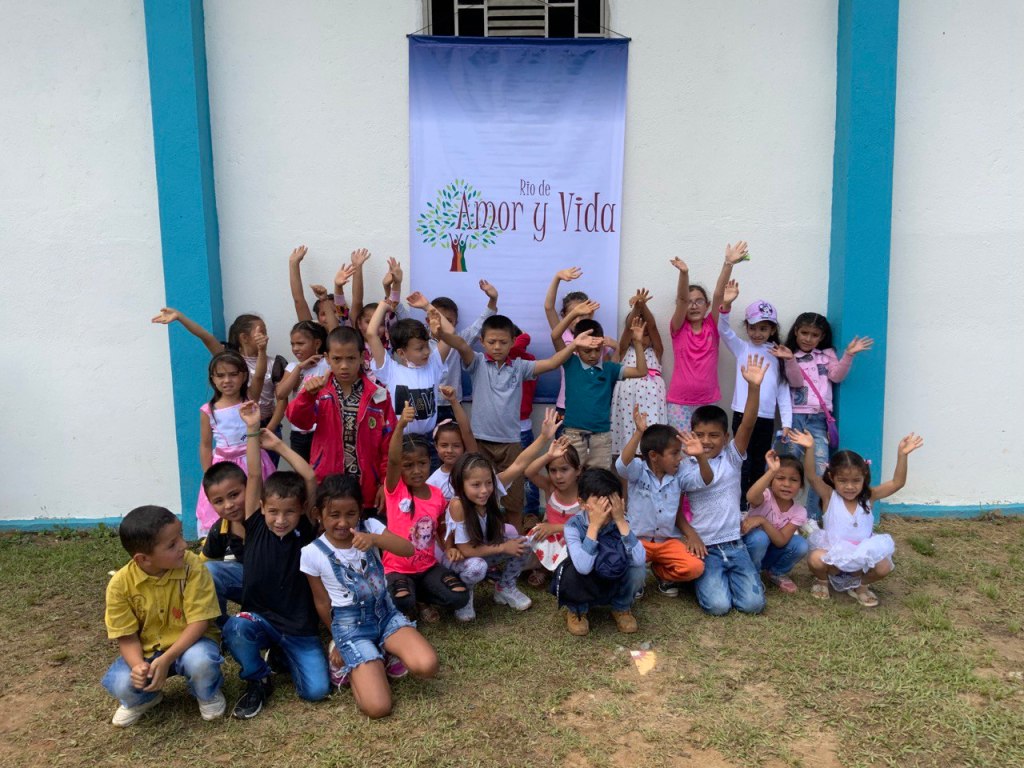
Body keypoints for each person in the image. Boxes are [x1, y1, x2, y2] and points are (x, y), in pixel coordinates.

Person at [431, 310, 590, 532]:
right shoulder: (476, 362)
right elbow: (460, 344)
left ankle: (515, 539)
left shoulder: (520, 366)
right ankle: (483, 537)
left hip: (511, 443)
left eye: (503, 342)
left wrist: (574, 345)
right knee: (480, 497)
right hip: (480, 442)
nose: (497, 347)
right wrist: (442, 334)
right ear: (482, 341)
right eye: (491, 342)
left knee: (514, 501)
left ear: (513, 341)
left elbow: (553, 363)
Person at [221, 402, 328, 719]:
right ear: (262, 507)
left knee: (316, 691)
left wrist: (280, 445)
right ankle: (258, 678)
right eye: (273, 512)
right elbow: (255, 474)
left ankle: (280, 654)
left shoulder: (306, 530)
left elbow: (309, 476)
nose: (281, 520)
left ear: (303, 510)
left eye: (289, 512)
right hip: (261, 617)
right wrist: (252, 428)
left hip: (298, 628)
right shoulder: (254, 523)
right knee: (236, 627)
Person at [302, 474, 439, 718]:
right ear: (318, 514)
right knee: (378, 707)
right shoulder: (312, 553)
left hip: (386, 616)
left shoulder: (371, 527)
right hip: (351, 628)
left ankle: (383, 651)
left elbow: (408, 549)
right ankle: (353, 664)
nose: (343, 522)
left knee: (427, 666)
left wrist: (375, 539)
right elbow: (321, 601)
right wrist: (338, 640)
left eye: (351, 514)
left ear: (360, 512)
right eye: (334, 515)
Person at [101, 506, 224, 727]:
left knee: (201, 662)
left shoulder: (192, 566)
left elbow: (200, 621)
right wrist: (138, 666)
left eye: (180, 536)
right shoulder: (120, 585)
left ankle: (206, 693)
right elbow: (127, 637)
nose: (184, 545)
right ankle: (146, 698)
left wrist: (167, 659)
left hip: (193, 643)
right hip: (148, 651)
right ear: (143, 559)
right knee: (122, 683)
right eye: (172, 544)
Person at [683, 355, 771, 616]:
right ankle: (700, 579)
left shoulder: (732, 458)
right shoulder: (686, 466)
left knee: (753, 606)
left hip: (734, 544)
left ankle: (735, 578)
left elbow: (748, 423)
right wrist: (691, 535)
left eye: (713, 435)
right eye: (699, 435)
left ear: (726, 437)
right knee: (718, 607)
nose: (706, 441)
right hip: (705, 547)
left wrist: (754, 388)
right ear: (691, 434)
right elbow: (706, 478)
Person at [796, 431, 923, 607]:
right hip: (834, 557)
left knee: (884, 566)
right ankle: (822, 582)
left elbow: (897, 483)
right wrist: (810, 448)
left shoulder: (870, 496)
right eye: (843, 481)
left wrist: (902, 455)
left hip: (862, 559)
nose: (850, 486)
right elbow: (811, 476)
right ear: (832, 477)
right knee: (815, 559)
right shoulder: (829, 496)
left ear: (864, 476)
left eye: (856, 480)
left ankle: (861, 587)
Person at [770, 313, 873, 517]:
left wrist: (848, 355)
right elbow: (796, 382)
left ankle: (811, 517)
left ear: (822, 336)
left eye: (814, 335)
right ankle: (779, 513)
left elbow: (837, 376)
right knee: (786, 467)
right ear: (796, 331)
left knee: (820, 470)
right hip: (796, 418)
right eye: (804, 333)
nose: (808, 338)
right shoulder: (788, 353)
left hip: (818, 420)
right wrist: (790, 360)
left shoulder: (826, 355)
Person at [285, 326, 395, 516]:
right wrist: (306, 396)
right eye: (337, 359)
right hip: (327, 485)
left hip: (366, 489)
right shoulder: (318, 390)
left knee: (366, 532)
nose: (344, 365)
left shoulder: (379, 396)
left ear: (362, 357)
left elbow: (389, 445)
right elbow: (299, 421)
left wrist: (385, 483)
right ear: (327, 358)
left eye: (351, 358)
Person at [383, 402, 470, 622]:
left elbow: (440, 527)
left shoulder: (436, 494)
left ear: (429, 462)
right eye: (408, 465)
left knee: (460, 596)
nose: (416, 470)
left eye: (421, 463)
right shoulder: (395, 490)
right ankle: (414, 600)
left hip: (428, 567)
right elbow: (393, 459)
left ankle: (422, 597)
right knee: (402, 600)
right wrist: (401, 425)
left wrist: (449, 548)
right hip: (397, 569)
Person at [152, 309, 287, 439]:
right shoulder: (230, 360)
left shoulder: (274, 364)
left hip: (267, 425)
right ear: (244, 337)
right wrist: (180, 317)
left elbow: (280, 399)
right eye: (262, 332)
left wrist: (270, 429)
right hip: (237, 425)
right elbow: (205, 336)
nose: (265, 337)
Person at [615, 407, 707, 597]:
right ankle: (637, 578)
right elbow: (622, 465)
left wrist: (700, 457)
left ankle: (661, 572)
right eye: (674, 453)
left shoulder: (680, 473)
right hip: (637, 541)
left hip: (667, 542)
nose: (679, 458)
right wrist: (639, 433)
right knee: (620, 561)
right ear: (654, 456)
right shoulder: (638, 470)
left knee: (695, 567)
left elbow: (705, 479)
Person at [718, 280, 792, 506]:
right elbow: (723, 330)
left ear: (772, 330)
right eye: (753, 328)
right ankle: (739, 504)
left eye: (763, 328)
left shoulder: (778, 353)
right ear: (747, 327)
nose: (757, 333)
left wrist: (787, 422)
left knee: (760, 462)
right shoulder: (742, 347)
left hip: (766, 419)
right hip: (742, 415)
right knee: (742, 461)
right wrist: (726, 306)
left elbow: (783, 391)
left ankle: (755, 505)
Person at [551, 303, 648, 469]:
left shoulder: (610, 368)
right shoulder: (570, 362)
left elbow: (641, 371)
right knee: (572, 477)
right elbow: (555, 336)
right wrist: (574, 313)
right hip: (573, 435)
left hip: (601, 438)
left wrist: (638, 343)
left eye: (597, 350)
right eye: (587, 351)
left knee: (599, 479)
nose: (593, 355)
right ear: (576, 348)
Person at [665, 242, 748, 434]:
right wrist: (684, 274)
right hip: (679, 403)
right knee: (682, 449)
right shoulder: (678, 328)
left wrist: (728, 263)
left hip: (708, 401)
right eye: (690, 302)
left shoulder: (713, 326)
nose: (693, 306)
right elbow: (682, 300)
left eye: (699, 301)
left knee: (707, 447)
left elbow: (719, 295)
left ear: (707, 305)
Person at [554, 468, 647, 636]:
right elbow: (583, 567)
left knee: (637, 569)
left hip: (611, 576)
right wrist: (594, 526)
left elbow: (640, 560)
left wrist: (620, 521)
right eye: (601, 501)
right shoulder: (573, 526)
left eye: (612, 500)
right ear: (582, 503)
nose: (607, 507)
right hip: (586, 579)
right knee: (574, 568)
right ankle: (577, 610)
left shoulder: (622, 520)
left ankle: (621, 608)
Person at [195, 351, 275, 536]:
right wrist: (209, 475)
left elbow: (260, 375)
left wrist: (262, 350)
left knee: (258, 503)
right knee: (228, 506)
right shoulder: (208, 411)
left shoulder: (249, 400)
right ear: (212, 379)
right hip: (224, 467)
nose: (227, 380)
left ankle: (260, 536)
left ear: (244, 376)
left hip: (253, 461)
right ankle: (229, 540)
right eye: (220, 375)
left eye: (233, 374)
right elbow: (205, 445)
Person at [446, 453, 535, 618]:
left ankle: (505, 587)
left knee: (525, 544)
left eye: (489, 482)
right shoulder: (458, 505)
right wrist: (503, 547)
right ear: (461, 484)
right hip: (461, 560)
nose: (484, 490)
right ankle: (464, 594)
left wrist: (545, 442)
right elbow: (466, 550)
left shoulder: (491, 494)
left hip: (483, 552)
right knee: (477, 567)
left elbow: (518, 464)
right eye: (476, 484)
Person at [366, 293, 453, 438]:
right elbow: (371, 334)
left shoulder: (433, 364)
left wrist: (427, 306)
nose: (427, 352)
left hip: (428, 440)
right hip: (400, 439)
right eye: (419, 348)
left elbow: (450, 332)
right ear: (401, 353)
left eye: (427, 346)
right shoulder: (390, 370)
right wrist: (383, 306)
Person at [740, 451, 809, 593]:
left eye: (794, 480)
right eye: (780, 478)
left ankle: (776, 572)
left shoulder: (799, 511)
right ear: (771, 480)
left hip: (771, 552)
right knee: (760, 537)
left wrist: (762, 521)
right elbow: (751, 497)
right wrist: (771, 471)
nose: (787, 484)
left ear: (801, 485)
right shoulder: (765, 496)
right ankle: (750, 573)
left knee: (801, 544)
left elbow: (781, 541)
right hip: (749, 550)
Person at [430, 280, 499, 422]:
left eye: (449, 321)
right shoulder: (420, 342)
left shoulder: (459, 340)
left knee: (456, 436)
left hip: (452, 403)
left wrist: (493, 299)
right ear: (428, 319)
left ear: (456, 323)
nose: (443, 324)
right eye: (440, 319)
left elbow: (480, 325)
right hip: (428, 402)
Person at [610, 288, 667, 455]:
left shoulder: (656, 351)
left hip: (652, 399)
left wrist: (643, 305)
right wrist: (636, 308)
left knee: (651, 438)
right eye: (637, 332)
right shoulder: (623, 350)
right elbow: (629, 329)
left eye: (645, 333)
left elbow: (653, 326)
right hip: (626, 399)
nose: (641, 336)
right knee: (627, 437)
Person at [524, 437, 583, 582]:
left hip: (573, 541)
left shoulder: (584, 496)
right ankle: (542, 568)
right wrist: (548, 455)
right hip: (551, 538)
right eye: (553, 470)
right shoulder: (551, 488)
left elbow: (586, 527)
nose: (558, 476)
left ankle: (555, 571)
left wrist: (555, 528)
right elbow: (529, 472)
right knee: (536, 533)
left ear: (578, 470)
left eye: (564, 469)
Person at [199, 462, 247, 625]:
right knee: (207, 571)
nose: (229, 505)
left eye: (234, 495)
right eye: (219, 501)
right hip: (248, 586)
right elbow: (201, 565)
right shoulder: (220, 528)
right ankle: (219, 627)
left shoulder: (268, 519)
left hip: (278, 588)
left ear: (249, 488)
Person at [544, 267, 595, 419]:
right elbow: (548, 307)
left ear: (590, 314)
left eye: (583, 314)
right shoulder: (562, 334)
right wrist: (557, 278)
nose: (578, 319)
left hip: (590, 404)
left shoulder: (596, 337)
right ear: (564, 315)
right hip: (565, 406)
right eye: (574, 314)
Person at [275, 319, 329, 462]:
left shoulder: (327, 363)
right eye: (292, 344)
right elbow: (281, 394)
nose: (295, 348)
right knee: (301, 472)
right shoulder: (293, 367)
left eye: (300, 343)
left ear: (317, 343)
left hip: (321, 431)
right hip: (298, 433)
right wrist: (300, 368)